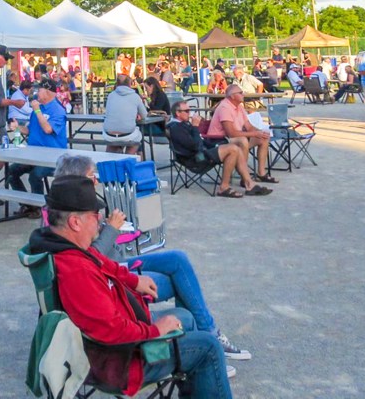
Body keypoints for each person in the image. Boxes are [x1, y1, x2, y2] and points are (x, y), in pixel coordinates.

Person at [25, 175, 233, 398]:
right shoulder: (76, 270)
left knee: (186, 317)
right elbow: (111, 330)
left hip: (116, 342)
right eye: (95, 216)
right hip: (118, 361)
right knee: (209, 347)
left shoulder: (61, 246)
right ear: (75, 222)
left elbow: (97, 259)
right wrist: (155, 331)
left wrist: (134, 280)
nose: (101, 222)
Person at [55, 153, 251, 359]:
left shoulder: (75, 206)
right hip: (113, 279)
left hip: (118, 266)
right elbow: (89, 259)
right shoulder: (69, 218)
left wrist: (107, 227)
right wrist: (110, 229)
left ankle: (206, 339)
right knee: (179, 281)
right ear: (75, 180)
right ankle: (201, 349)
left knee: (177, 259)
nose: (96, 180)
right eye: (91, 176)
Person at [167, 100, 266, 197]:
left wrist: (215, 146)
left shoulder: (183, 124)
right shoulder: (175, 128)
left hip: (202, 153)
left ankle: (248, 184)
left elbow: (200, 142)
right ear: (178, 113)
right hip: (196, 159)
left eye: (190, 110)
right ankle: (225, 187)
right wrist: (195, 127)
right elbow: (195, 146)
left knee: (235, 148)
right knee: (233, 149)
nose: (190, 113)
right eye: (187, 111)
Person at [7, 79, 67, 216]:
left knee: (35, 175)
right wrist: (18, 128)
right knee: (12, 172)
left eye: (38, 90)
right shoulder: (37, 109)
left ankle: (39, 208)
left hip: (52, 156)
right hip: (33, 154)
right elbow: (30, 130)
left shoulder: (58, 110)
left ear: (48, 92)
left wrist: (37, 110)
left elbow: (47, 129)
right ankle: (27, 204)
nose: (35, 93)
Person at [207, 85, 278, 190]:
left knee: (263, 138)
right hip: (219, 140)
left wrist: (260, 132)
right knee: (242, 140)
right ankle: (244, 178)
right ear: (232, 96)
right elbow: (231, 133)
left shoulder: (239, 106)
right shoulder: (224, 107)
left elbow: (248, 126)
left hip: (232, 138)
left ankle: (261, 173)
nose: (243, 94)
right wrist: (254, 134)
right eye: (240, 93)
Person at [101, 74, 147, 155]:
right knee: (137, 136)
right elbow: (144, 115)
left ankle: (116, 154)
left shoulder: (111, 95)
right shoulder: (135, 96)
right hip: (127, 134)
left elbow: (107, 113)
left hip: (108, 134)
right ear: (130, 84)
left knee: (114, 139)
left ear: (117, 84)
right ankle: (129, 155)